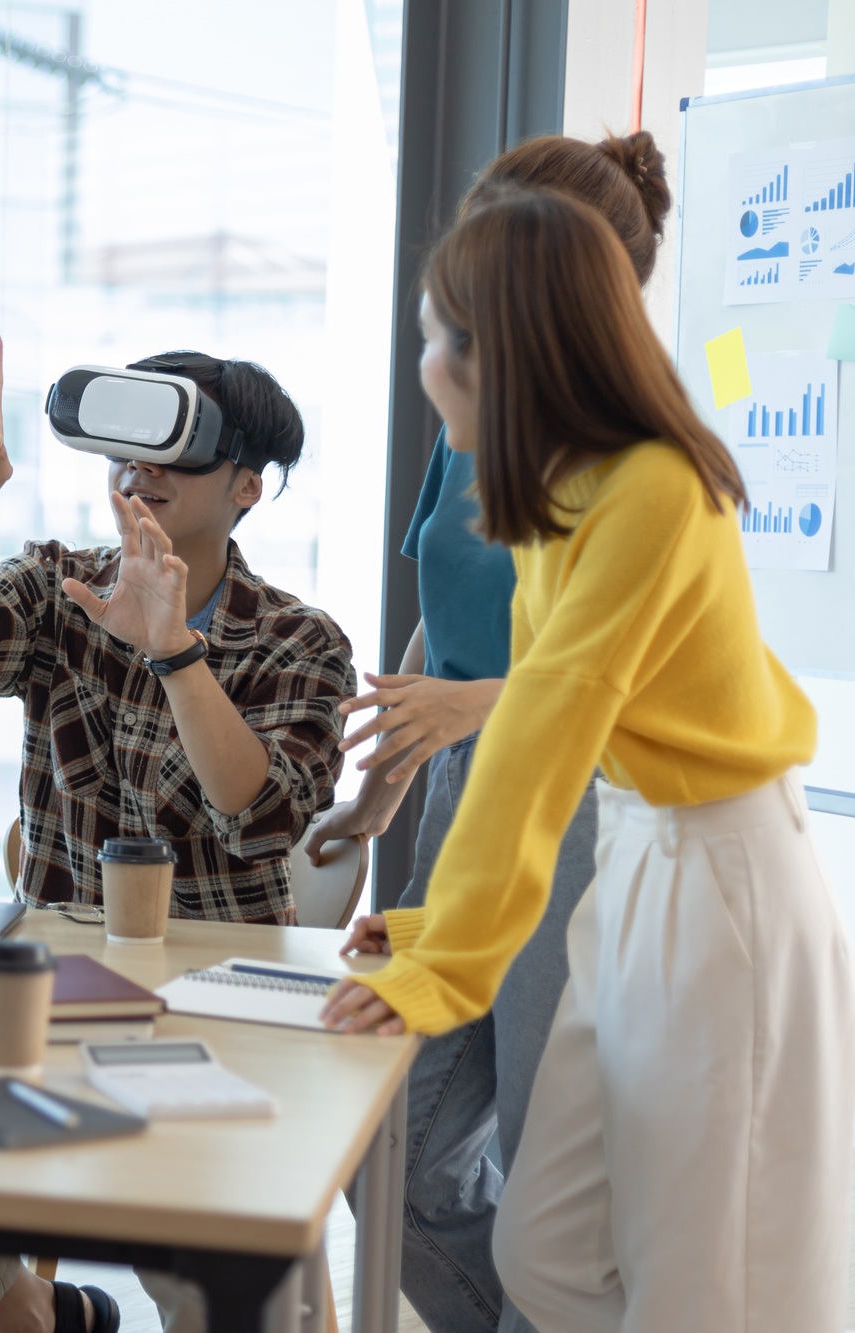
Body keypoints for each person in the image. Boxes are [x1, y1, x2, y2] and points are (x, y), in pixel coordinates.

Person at [321, 187, 855, 1331]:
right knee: (546, 1247)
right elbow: (536, 721)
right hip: (637, 866)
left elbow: (540, 725)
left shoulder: (654, 487)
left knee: (704, 1282)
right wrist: (428, 933)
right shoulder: (557, 497)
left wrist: (439, 969)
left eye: (430, 339)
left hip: (725, 887)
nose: (420, 366)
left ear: (496, 353)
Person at [0, 338, 351, 1333]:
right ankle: (48, 1322)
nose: (137, 470)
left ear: (245, 487)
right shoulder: (59, 589)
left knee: (211, 1284)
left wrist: (172, 654)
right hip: (51, 992)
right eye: (125, 444)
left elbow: (264, 816)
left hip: (221, 1001)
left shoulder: (301, 640)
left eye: (174, 450)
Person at [302, 130, 671, 1333]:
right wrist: (379, 793)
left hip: (579, 809)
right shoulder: (467, 417)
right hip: (465, 793)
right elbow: (443, 612)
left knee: (546, 1169)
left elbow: (634, 685)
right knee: (390, 1146)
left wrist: (473, 706)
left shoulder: (630, 460)